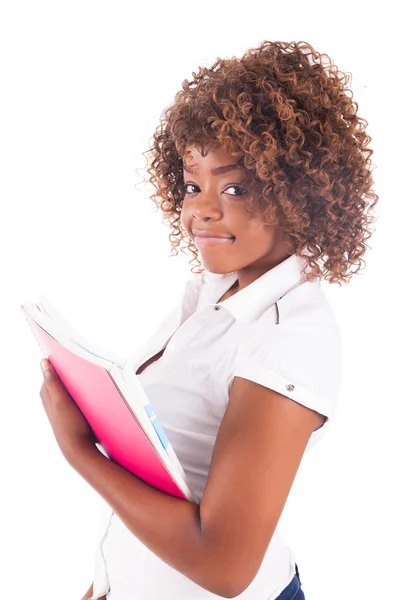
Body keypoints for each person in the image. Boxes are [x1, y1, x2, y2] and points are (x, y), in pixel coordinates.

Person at [39, 40, 378, 600]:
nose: (202, 209)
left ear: (301, 194)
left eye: (236, 187)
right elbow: (168, 482)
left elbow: (225, 566)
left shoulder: (286, 339)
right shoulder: (214, 293)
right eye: (194, 185)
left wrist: (79, 451)